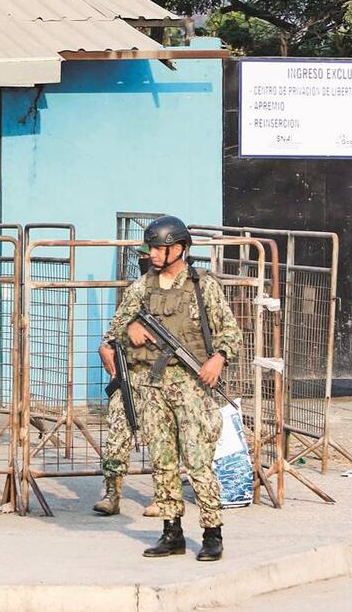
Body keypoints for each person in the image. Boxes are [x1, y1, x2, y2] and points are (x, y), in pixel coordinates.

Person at [101, 216, 241, 561]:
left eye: (159, 248)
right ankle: (171, 531)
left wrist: (218, 359)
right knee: (162, 460)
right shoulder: (141, 287)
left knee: (197, 459)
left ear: (179, 249)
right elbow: (116, 328)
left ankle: (212, 533)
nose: (153, 254)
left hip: (190, 384)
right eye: (151, 248)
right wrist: (131, 327)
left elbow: (230, 331)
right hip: (152, 385)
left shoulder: (202, 286)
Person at [92, 243, 160, 518]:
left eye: (150, 254)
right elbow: (117, 325)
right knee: (117, 435)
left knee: (160, 436)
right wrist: (106, 346)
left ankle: (162, 495)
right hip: (129, 373)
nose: (147, 259)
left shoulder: (184, 290)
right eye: (143, 256)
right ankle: (112, 492)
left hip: (162, 377)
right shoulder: (137, 289)